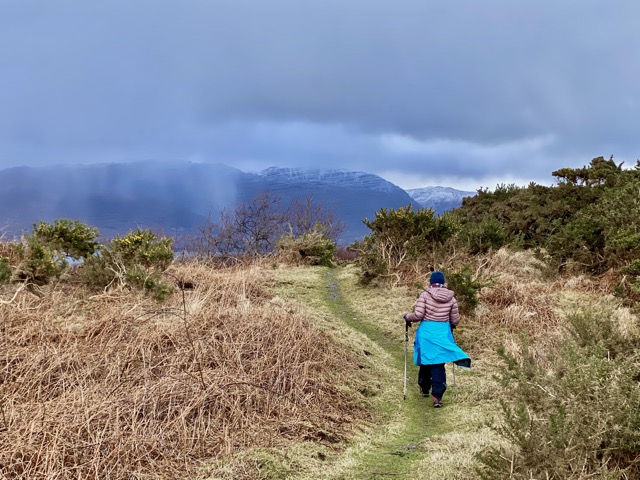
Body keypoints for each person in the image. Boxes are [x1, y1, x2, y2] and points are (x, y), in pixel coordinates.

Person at [403, 271, 471, 408]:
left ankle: (424, 387)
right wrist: (450, 323)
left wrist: (406, 316)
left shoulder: (425, 295)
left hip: (427, 332)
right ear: (443, 283)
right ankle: (437, 397)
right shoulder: (451, 298)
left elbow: (418, 315)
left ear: (431, 282)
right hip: (442, 333)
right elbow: (455, 320)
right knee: (438, 363)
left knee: (426, 359)